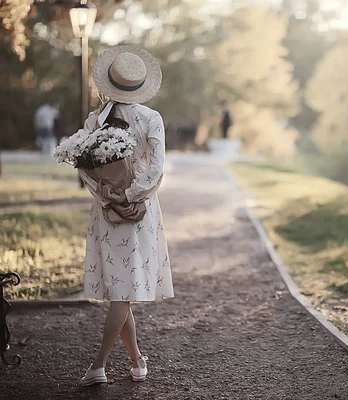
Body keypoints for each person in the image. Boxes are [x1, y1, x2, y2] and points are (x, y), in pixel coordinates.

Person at [78, 45, 174, 386]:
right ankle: (99, 366)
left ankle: (136, 361)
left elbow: (85, 169)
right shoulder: (151, 118)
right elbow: (158, 168)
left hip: (107, 211)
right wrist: (133, 197)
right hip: (140, 211)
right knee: (123, 290)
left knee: (122, 288)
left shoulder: (93, 120)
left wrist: (110, 197)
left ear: (109, 83)